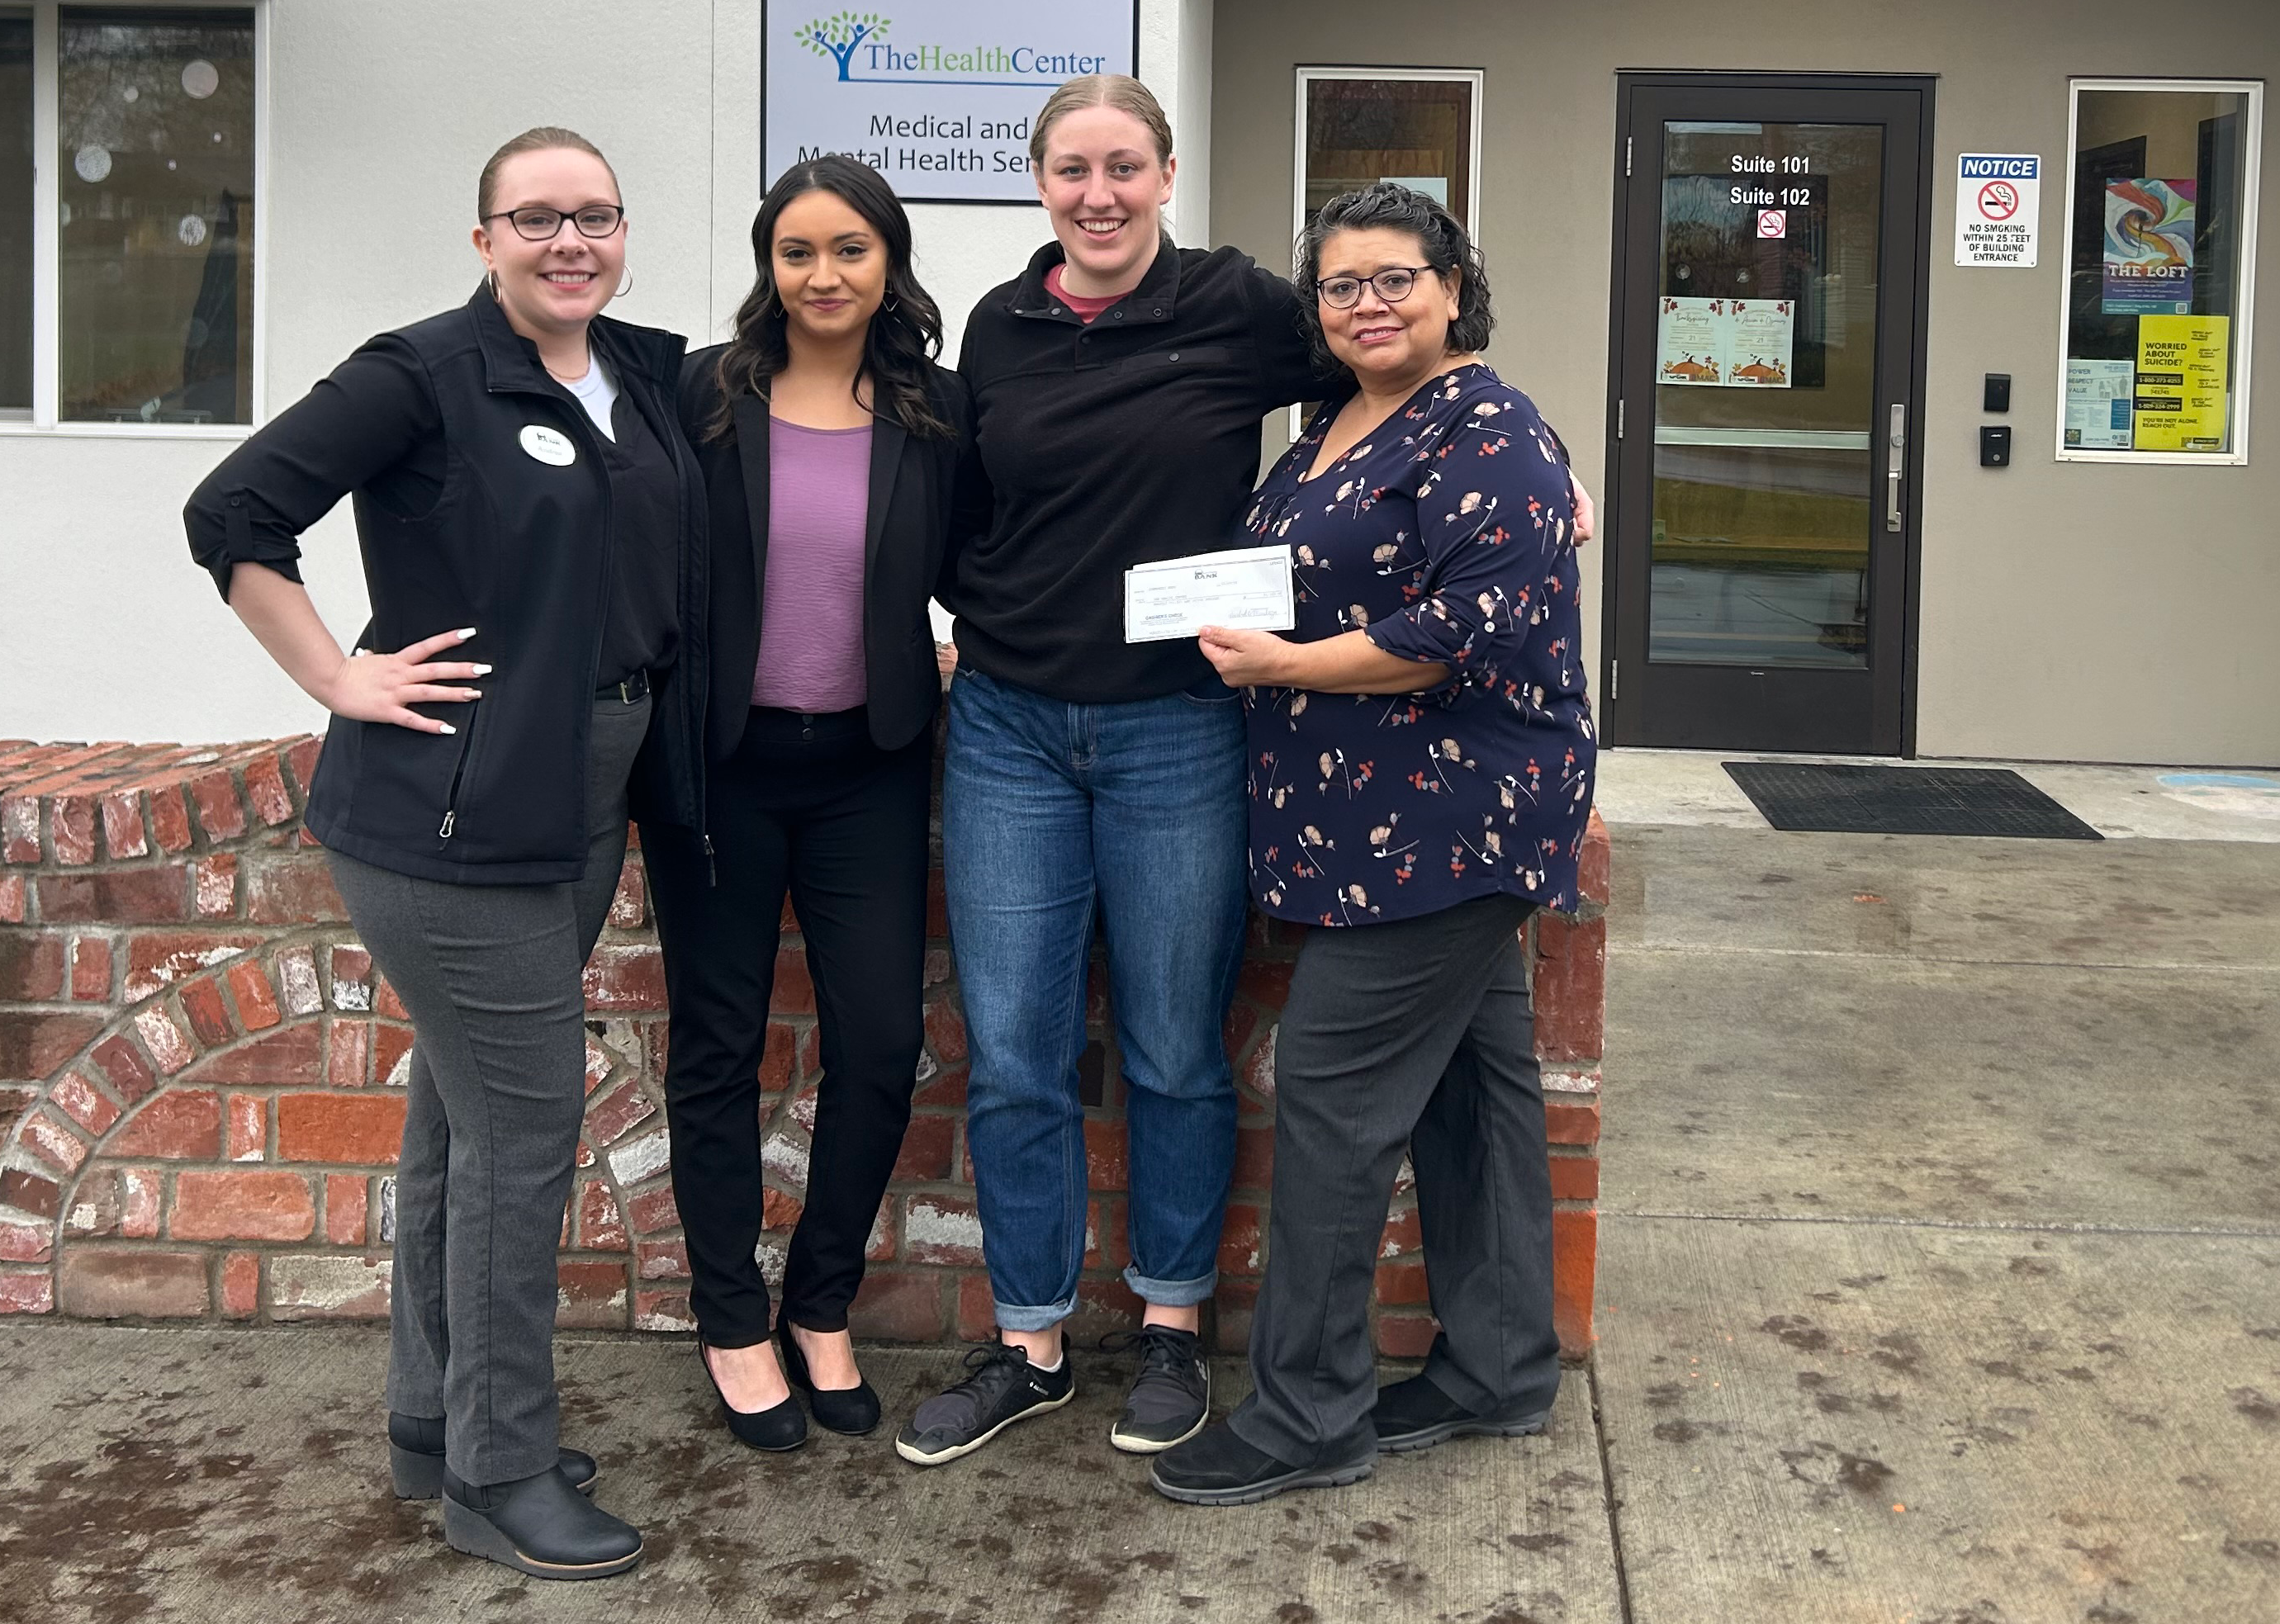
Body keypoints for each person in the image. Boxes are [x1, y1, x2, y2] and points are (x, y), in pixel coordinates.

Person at [183, 127, 701, 1579]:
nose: (568, 242)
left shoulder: (640, 378)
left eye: (594, 216)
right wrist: (335, 678)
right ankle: (500, 1469)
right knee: (528, 1131)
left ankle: (433, 1421)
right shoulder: (416, 374)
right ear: (484, 239)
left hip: (586, 795)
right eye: (534, 218)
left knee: (463, 1120)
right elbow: (233, 510)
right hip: (449, 816)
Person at [893, 74, 1344, 1467]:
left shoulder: (1240, 304)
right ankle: (1027, 1343)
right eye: (1072, 170)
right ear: (1039, 181)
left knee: (1170, 1050)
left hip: (1177, 726)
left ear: (1165, 174)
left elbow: (1391, 376)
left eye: (1125, 169)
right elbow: (967, 500)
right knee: (1018, 1054)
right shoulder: (1000, 324)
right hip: (1013, 727)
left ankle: (1167, 1329)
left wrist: (1529, 465)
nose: (1098, 196)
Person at [1150, 184, 1595, 1506]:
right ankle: (1504, 1364)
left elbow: (1470, 625)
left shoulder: (1492, 425)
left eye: (1395, 277)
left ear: (1454, 285)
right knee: (1476, 1096)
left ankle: (1306, 1413)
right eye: (1340, 286)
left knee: (1337, 1105)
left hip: (1449, 820)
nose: (1368, 303)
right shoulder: (1335, 424)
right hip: (1368, 820)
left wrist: (1287, 663)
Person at [647, 154, 966, 1452]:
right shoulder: (699, 395)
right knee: (718, 1052)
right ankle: (732, 1320)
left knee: (881, 1046)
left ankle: (818, 1304)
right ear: (767, 265)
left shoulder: (938, 410)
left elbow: (1030, 539)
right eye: (797, 251)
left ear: (888, 261)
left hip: (870, 769)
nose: (823, 275)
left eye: (850, 250)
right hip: (717, 771)